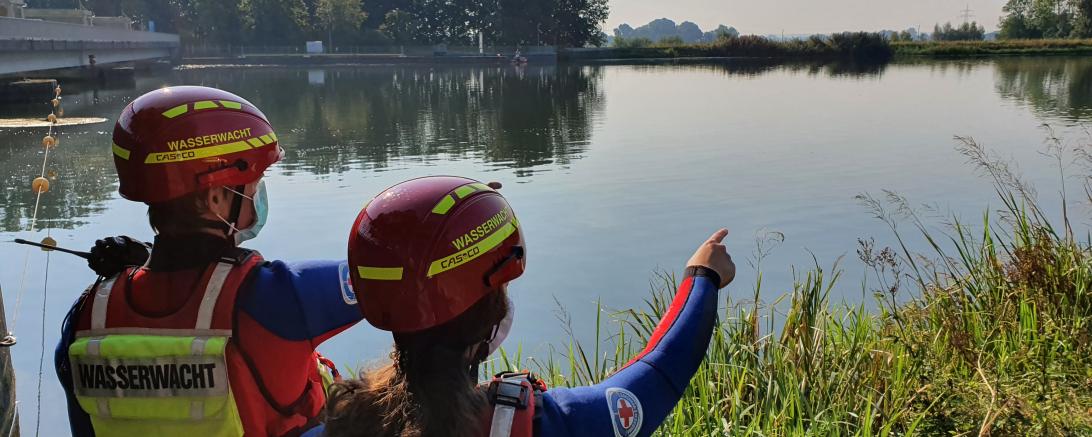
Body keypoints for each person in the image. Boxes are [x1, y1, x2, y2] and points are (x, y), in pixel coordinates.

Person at [311, 175, 736, 437]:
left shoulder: (341, 422)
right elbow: (660, 372)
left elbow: (407, 263)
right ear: (488, 316)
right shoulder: (549, 425)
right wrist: (703, 278)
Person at [54, 86, 364, 437]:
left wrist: (146, 263)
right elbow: (398, 273)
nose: (259, 193)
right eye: (253, 183)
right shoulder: (283, 296)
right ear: (216, 197)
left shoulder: (87, 319)